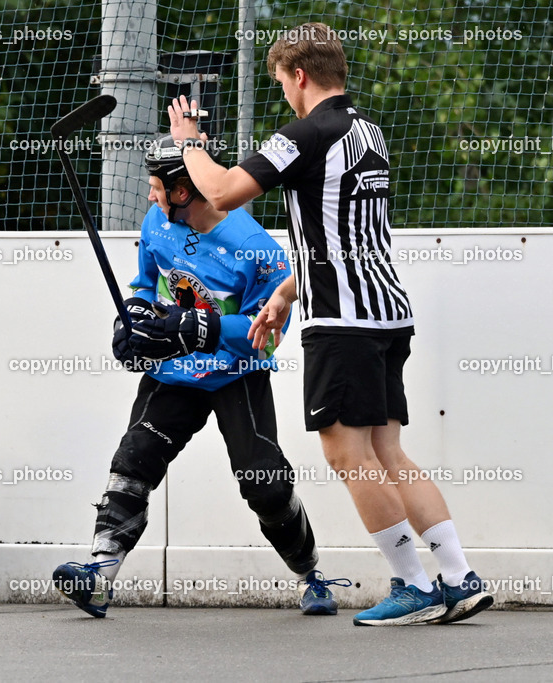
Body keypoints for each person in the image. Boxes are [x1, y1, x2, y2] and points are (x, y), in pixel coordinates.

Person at [167, 22, 492, 626]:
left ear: (300, 76)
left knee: (347, 453)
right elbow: (344, 232)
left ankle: (413, 585)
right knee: (388, 448)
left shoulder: (305, 132)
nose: (284, 97)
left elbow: (221, 192)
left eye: (282, 84)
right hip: (386, 313)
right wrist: (288, 293)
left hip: (342, 320)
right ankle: (458, 575)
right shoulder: (368, 132)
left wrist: (188, 142)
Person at [52, 134, 348, 618]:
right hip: (172, 373)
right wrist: (129, 322)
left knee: (264, 484)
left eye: (155, 187)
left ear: (183, 192)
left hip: (237, 374)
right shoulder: (157, 221)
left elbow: (270, 335)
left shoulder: (255, 248)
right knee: (133, 460)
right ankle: (99, 576)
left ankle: (311, 575)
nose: (150, 196)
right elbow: (145, 285)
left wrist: (202, 326)